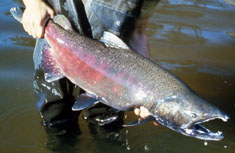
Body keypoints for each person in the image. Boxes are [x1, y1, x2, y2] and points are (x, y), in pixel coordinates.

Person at [22, 0, 159, 129]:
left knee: (107, 125)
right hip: (58, 39)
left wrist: (144, 85)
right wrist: (34, 4)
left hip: (110, 74)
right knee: (56, 117)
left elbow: (138, 30)